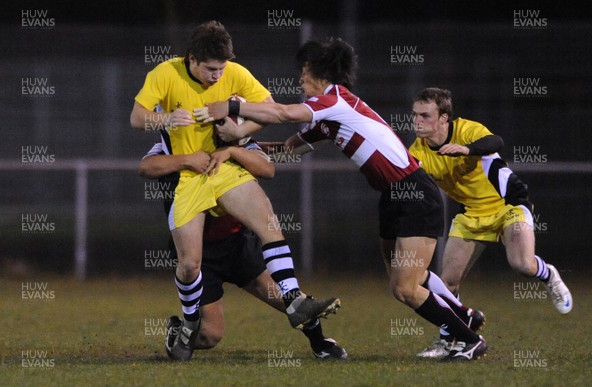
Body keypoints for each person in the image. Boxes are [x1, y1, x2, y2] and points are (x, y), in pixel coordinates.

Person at [194, 37, 487, 362]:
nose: (300, 80)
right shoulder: (329, 116)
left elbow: (283, 112)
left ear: (319, 74)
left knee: (405, 288)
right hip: (393, 197)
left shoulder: (335, 100)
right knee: (403, 277)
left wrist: (232, 108)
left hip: (414, 193)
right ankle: (464, 315)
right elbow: (289, 149)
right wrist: (239, 148)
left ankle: (467, 338)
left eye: (304, 73)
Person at [130, 20, 340, 361]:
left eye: (222, 70)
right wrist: (168, 120)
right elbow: (138, 120)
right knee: (192, 278)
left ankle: (299, 304)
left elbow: (269, 116)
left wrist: (236, 135)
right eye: (211, 69)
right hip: (192, 185)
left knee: (269, 226)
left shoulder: (238, 128)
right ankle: (186, 326)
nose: (217, 76)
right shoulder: (165, 75)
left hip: (234, 233)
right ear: (192, 59)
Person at [139, 133, 347, 360]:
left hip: (238, 244)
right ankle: (180, 331)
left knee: (290, 299)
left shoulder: (234, 142)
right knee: (210, 335)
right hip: (200, 256)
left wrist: (318, 137)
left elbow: (268, 165)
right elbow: (146, 167)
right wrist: (188, 159)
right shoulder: (173, 146)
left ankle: (320, 344)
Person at [408, 87, 573, 358]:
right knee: (447, 283)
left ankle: (548, 274)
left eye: (425, 115)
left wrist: (466, 149)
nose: (417, 121)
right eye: (415, 115)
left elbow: (496, 143)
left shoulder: (466, 130)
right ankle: (452, 339)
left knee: (522, 264)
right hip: (472, 214)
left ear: (444, 118)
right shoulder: (417, 152)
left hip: (507, 204)